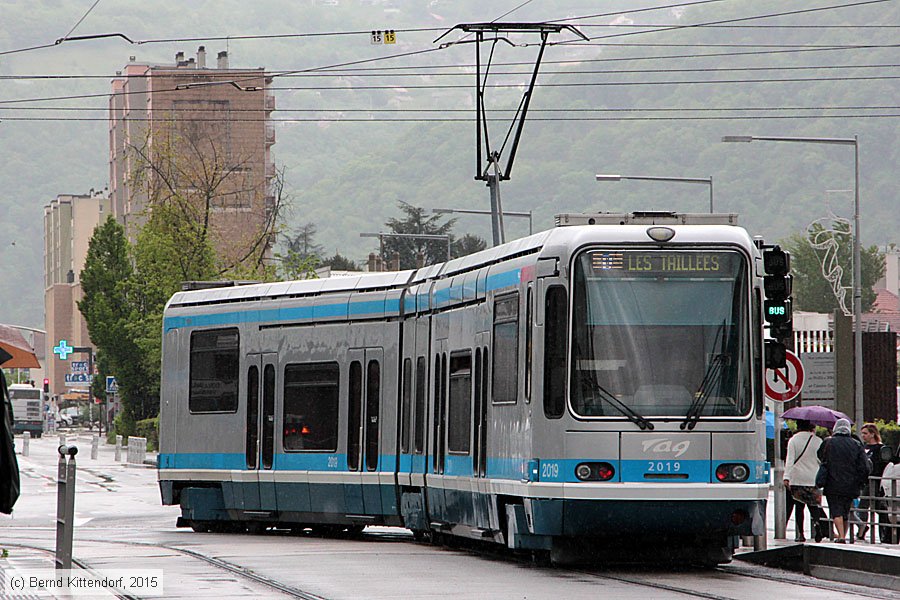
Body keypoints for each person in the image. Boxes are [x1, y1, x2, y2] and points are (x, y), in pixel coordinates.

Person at [817, 418, 871, 543]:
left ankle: (841, 536)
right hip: (851, 484)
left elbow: (820, 456)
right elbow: (864, 466)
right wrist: (861, 481)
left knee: (836, 510)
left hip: (832, 482)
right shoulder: (856, 444)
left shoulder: (828, 442)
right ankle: (843, 536)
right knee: (846, 511)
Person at [783, 419, 827, 542]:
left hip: (797, 478)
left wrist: (787, 477)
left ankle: (801, 533)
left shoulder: (793, 440)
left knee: (799, 506)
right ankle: (817, 525)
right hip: (813, 478)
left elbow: (790, 460)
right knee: (814, 506)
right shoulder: (818, 441)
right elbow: (821, 460)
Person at [855, 423, 887, 541]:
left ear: (873, 434)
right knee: (864, 506)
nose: (863, 436)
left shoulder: (880, 448)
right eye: (862, 433)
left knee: (871, 505)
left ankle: (863, 530)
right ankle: (862, 529)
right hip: (864, 481)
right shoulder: (862, 447)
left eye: (865, 433)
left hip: (875, 481)